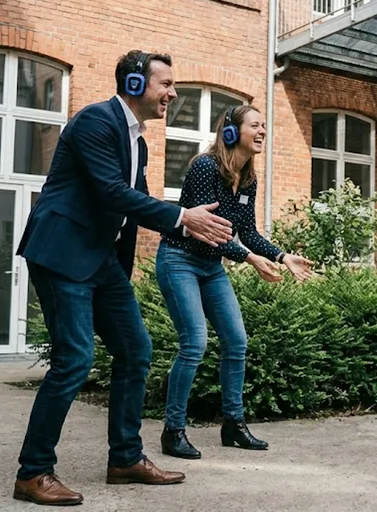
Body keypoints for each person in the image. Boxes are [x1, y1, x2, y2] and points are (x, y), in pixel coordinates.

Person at [13, 50, 235, 506]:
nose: (173, 93)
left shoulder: (140, 143)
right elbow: (111, 192)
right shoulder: (96, 121)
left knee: (136, 350)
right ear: (135, 84)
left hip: (102, 261)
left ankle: (126, 458)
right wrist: (182, 217)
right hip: (63, 253)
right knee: (75, 359)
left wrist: (186, 226)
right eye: (165, 84)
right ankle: (33, 472)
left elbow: (137, 205)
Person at [157, 104, 315, 460]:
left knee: (236, 341)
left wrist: (282, 257)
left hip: (211, 267)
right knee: (194, 343)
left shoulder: (247, 179)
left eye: (264, 126)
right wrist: (249, 258)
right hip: (179, 259)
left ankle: (233, 425)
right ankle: (173, 430)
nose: (262, 131)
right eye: (254, 125)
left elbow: (248, 233)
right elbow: (207, 231)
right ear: (231, 132)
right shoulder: (205, 167)